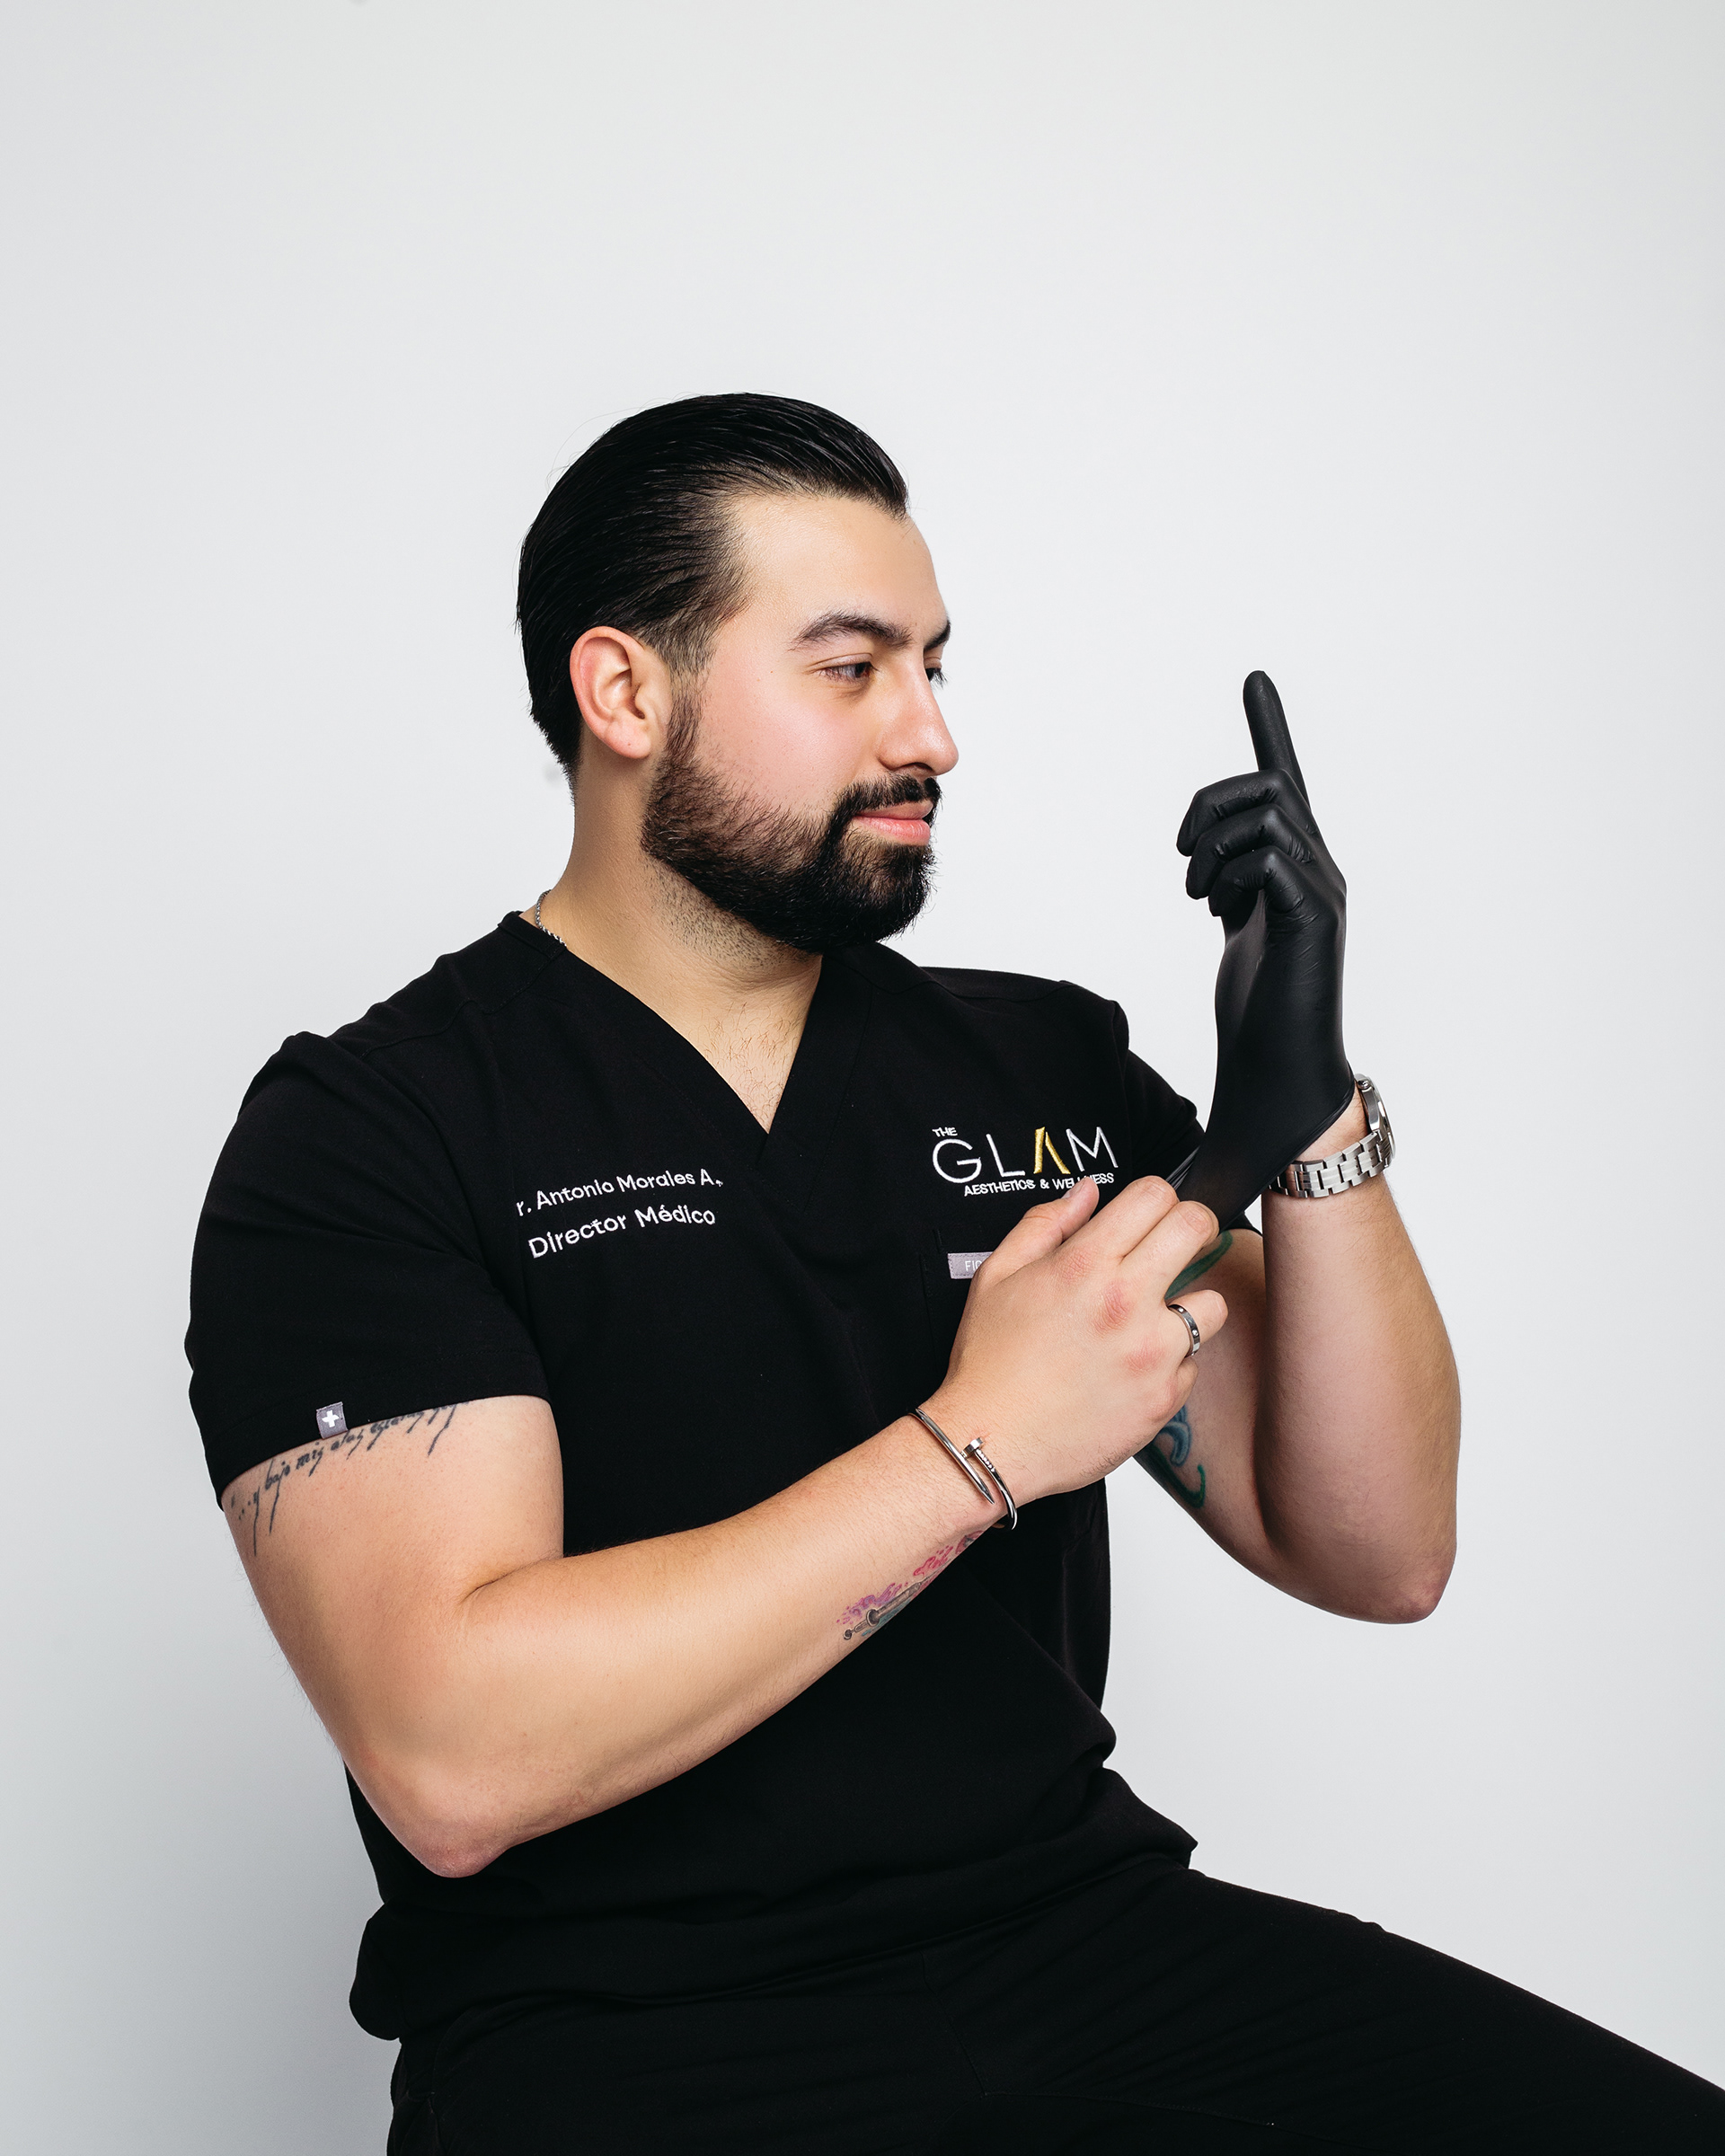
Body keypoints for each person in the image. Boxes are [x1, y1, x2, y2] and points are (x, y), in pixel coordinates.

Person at [187, 395, 1721, 2153]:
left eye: (932, 665)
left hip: (1083, 1949)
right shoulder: (377, 1130)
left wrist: (1307, 1114)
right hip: (623, 2041)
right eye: (852, 669)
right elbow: (456, 1760)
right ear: (625, 693)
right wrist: (981, 1440)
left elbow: (1379, 1550)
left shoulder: (1038, 1071)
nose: (933, 733)